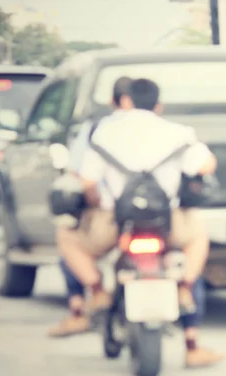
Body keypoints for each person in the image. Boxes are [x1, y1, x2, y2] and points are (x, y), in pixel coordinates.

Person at [57, 78, 224, 368]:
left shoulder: (103, 134)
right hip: (166, 222)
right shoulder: (178, 133)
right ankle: (184, 287)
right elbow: (206, 165)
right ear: (159, 105)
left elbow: (87, 182)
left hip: (114, 222)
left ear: (127, 102)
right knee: (198, 236)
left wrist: (95, 205)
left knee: (66, 236)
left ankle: (96, 293)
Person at [48, 76, 134, 338]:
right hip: (159, 217)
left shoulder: (97, 130)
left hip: (108, 217)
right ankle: (191, 331)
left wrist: (94, 202)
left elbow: (81, 177)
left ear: (112, 101)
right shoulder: (169, 130)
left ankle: (82, 306)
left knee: (68, 234)